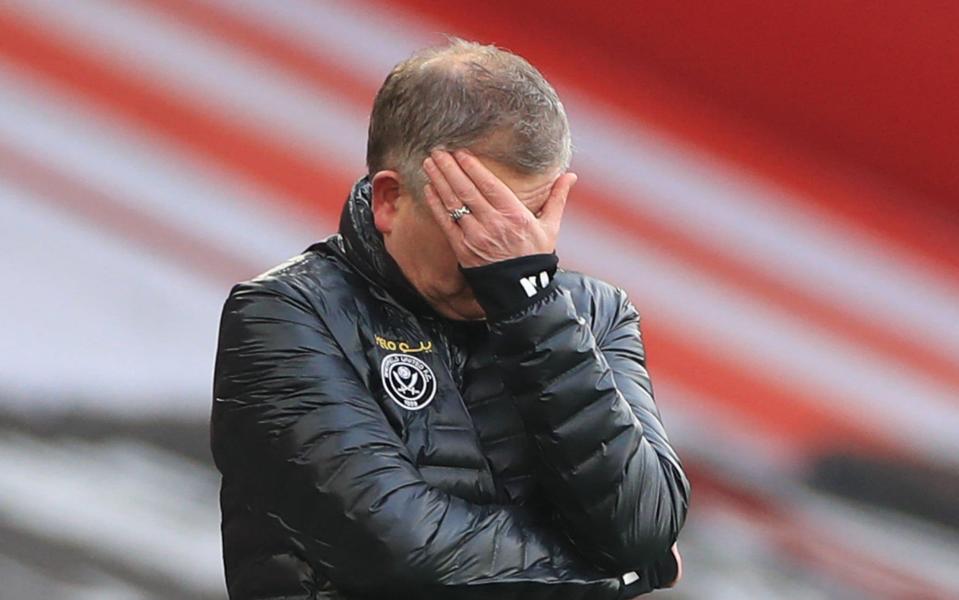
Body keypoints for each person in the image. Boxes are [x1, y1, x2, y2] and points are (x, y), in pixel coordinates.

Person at [211, 38, 690, 599]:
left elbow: (641, 525)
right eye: (476, 215)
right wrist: (623, 576)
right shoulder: (285, 314)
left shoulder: (594, 315)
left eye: (530, 218)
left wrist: (530, 308)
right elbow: (404, 556)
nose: (506, 247)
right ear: (391, 200)